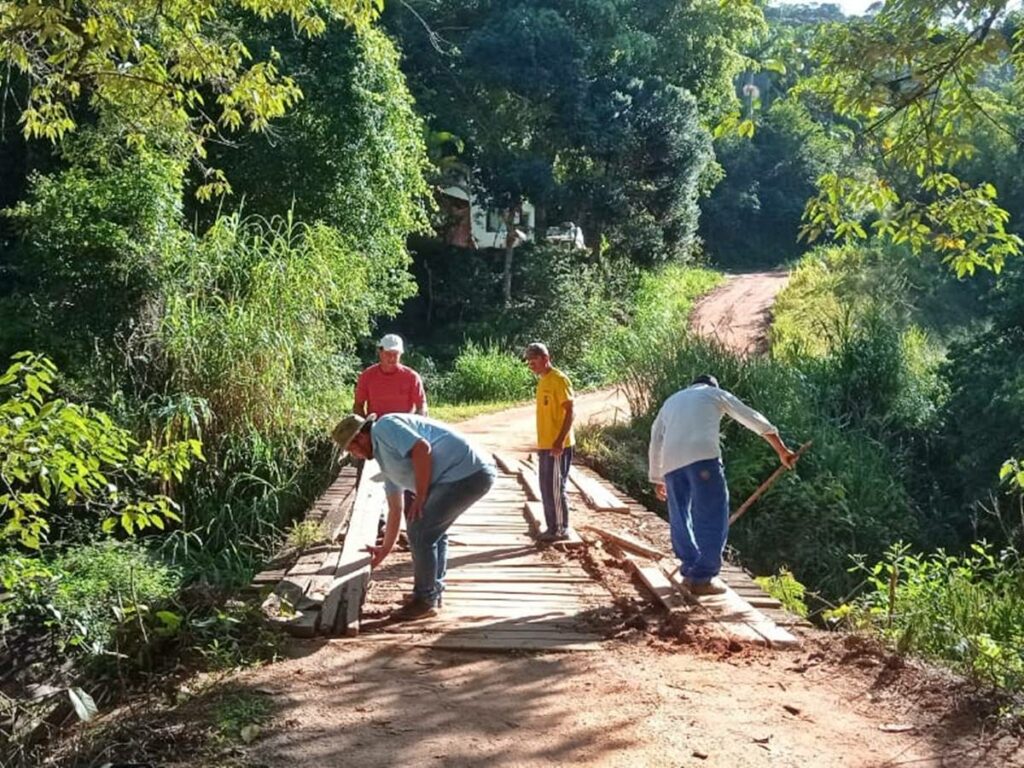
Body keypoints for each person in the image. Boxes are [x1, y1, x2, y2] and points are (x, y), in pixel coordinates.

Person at [331, 412, 496, 620]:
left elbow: (422, 448)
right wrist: (384, 550)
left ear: (360, 437)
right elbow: (395, 508)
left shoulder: (384, 427)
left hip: (467, 472)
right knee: (432, 531)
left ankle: (424, 600)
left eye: (352, 449)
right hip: (463, 474)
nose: (355, 455)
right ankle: (431, 594)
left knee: (420, 530)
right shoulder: (385, 462)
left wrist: (421, 495)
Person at [648, 374, 798, 596]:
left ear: (692, 386)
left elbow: (656, 437)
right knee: (711, 514)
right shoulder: (714, 394)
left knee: (680, 516)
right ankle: (703, 578)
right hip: (703, 458)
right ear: (712, 386)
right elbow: (752, 417)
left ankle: (690, 568)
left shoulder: (671, 401)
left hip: (671, 463)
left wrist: (657, 476)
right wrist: (782, 450)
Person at [524, 342, 575, 542]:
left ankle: (562, 528)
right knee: (545, 486)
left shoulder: (559, 380)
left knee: (556, 487)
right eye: (529, 361)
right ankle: (551, 527)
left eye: (534, 360)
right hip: (545, 444)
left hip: (557, 445)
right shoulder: (542, 381)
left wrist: (559, 441)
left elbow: (571, 411)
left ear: (545, 358)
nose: (531, 364)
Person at [353, 333, 427, 419]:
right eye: (388, 354)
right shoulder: (367, 376)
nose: (392, 358)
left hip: (404, 426)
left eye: (395, 354)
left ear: (401, 354)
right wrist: (365, 427)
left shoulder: (412, 377)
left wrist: (417, 424)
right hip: (376, 426)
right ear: (380, 352)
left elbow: (421, 406)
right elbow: (358, 405)